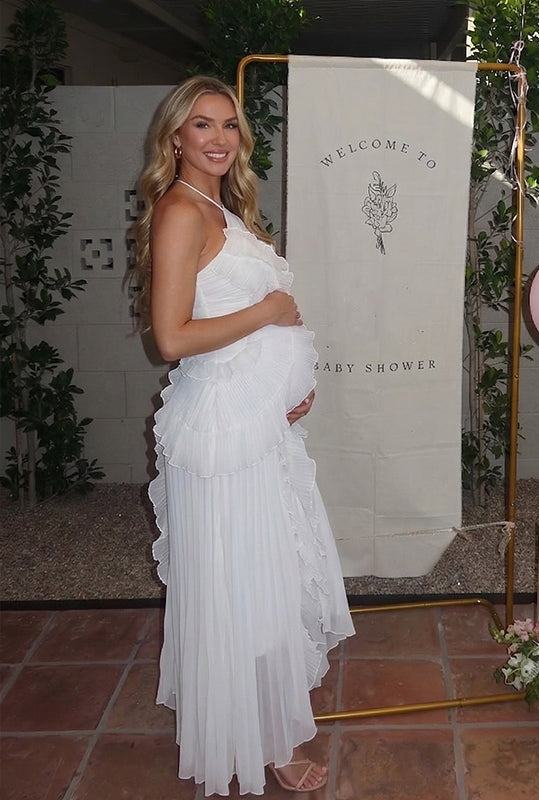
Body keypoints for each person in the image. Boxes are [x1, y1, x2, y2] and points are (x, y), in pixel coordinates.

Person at [133, 75, 354, 796]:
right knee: (240, 584)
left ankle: (269, 726)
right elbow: (172, 337)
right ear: (176, 138)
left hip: (255, 426)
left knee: (264, 577)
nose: (220, 139)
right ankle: (261, 740)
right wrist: (268, 315)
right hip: (223, 436)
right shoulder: (180, 212)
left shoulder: (220, 206)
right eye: (203, 126)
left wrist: (287, 386)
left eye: (229, 125)